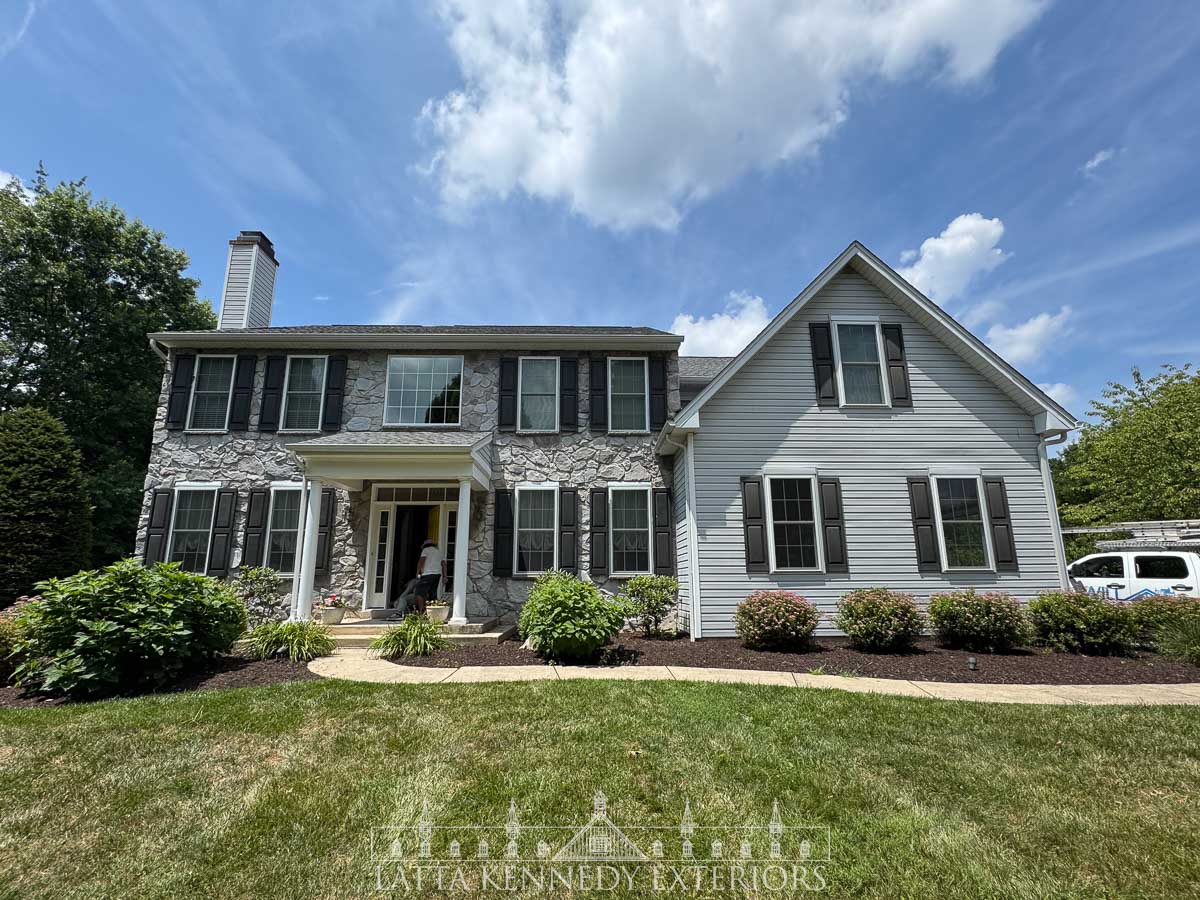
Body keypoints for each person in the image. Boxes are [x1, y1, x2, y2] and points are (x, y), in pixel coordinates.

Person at [411, 539, 445, 614]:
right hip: (437, 574)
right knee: (433, 593)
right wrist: (444, 576)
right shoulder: (439, 552)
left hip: (427, 574)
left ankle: (421, 611)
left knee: (419, 592)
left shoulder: (425, 550)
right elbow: (443, 564)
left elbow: (421, 561)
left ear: (425, 545)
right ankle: (433, 613)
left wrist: (417, 572)